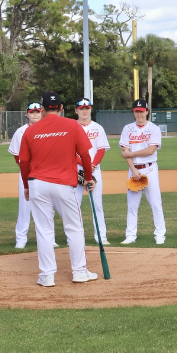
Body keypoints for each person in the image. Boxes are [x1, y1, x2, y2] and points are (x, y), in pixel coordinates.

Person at [18, 91, 97, 286]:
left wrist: (26, 186)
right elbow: (85, 156)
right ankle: (79, 271)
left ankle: (47, 275)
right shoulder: (72, 125)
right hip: (63, 184)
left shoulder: (30, 130)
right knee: (74, 228)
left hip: (37, 184)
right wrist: (88, 178)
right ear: (61, 108)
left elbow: (24, 162)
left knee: (44, 230)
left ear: (42, 109)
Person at [8, 102, 59, 249]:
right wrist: (26, 170)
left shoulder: (50, 129)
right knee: (24, 207)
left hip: (46, 173)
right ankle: (21, 238)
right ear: (27, 114)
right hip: (27, 173)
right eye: (32, 112)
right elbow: (16, 155)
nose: (35, 114)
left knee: (47, 207)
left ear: (41, 112)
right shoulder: (20, 132)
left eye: (37, 111)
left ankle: (50, 238)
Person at [119, 99, 166, 245]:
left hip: (149, 169)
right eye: (136, 111)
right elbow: (125, 151)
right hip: (134, 170)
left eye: (141, 111)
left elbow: (150, 150)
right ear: (133, 113)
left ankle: (160, 234)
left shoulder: (154, 128)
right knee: (132, 205)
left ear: (147, 112)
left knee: (156, 203)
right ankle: (130, 235)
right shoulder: (127, 128)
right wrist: (133, 170)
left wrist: (130, 154)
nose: (139, 114)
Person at [74, 98, 111, 245]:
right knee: (75, 205)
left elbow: (101, 149)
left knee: (97, 205)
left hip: (94, 169)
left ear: (90, 109)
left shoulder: (98, 128)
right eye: (81, 109)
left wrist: (93, 165)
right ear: (76, 110)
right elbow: (70, 151)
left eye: (87, 108)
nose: (84, 111)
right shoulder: (72, 127)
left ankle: (101, 236)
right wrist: (84, 164)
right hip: (76, 170)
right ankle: (75, 238)